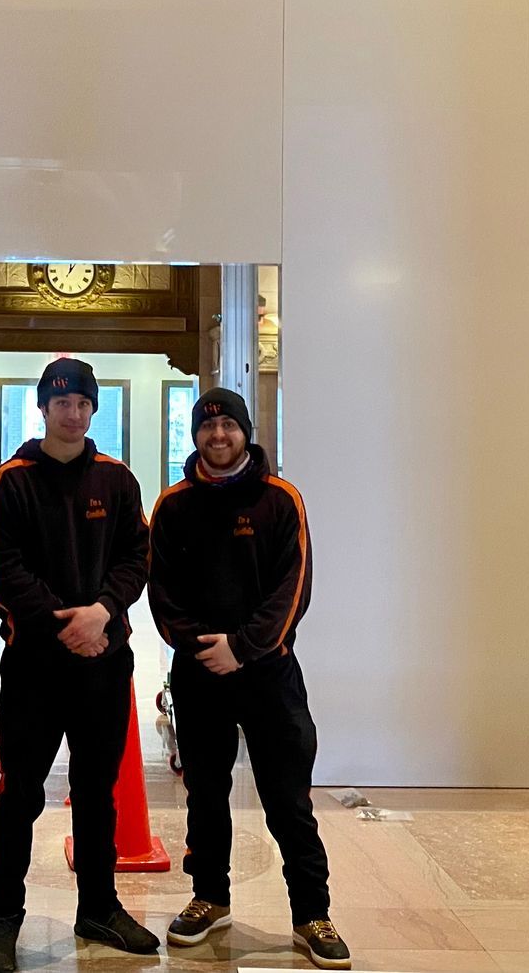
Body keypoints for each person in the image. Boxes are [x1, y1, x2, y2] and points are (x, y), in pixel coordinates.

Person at [146, 387, 349, 970]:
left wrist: (243, 646)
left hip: (269, 673)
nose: (218, 437)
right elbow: (162, 594)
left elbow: (294, 588)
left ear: (245, 431)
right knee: (205, 794)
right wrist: (204, 648)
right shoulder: (174, 505)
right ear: (195, 435)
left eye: (228, 427)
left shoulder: (281, 500)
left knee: (288, 799)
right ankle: (209, 897)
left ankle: (312, 914)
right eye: (207, 428)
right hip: (199, 673)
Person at [0, 357, 161, 973]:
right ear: (44, 407)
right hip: (34, 663)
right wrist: (68, 624)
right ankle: (2, 920)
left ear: (93, 409)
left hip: (104, 659)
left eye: (83, 403)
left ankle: (99, 907)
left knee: (96, 793)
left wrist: (102, 612)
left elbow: (138, 556)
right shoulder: (13, 479)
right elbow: (2, 570)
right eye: (61, 403)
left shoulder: (116, 479)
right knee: (19, 794)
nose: (72, 412)